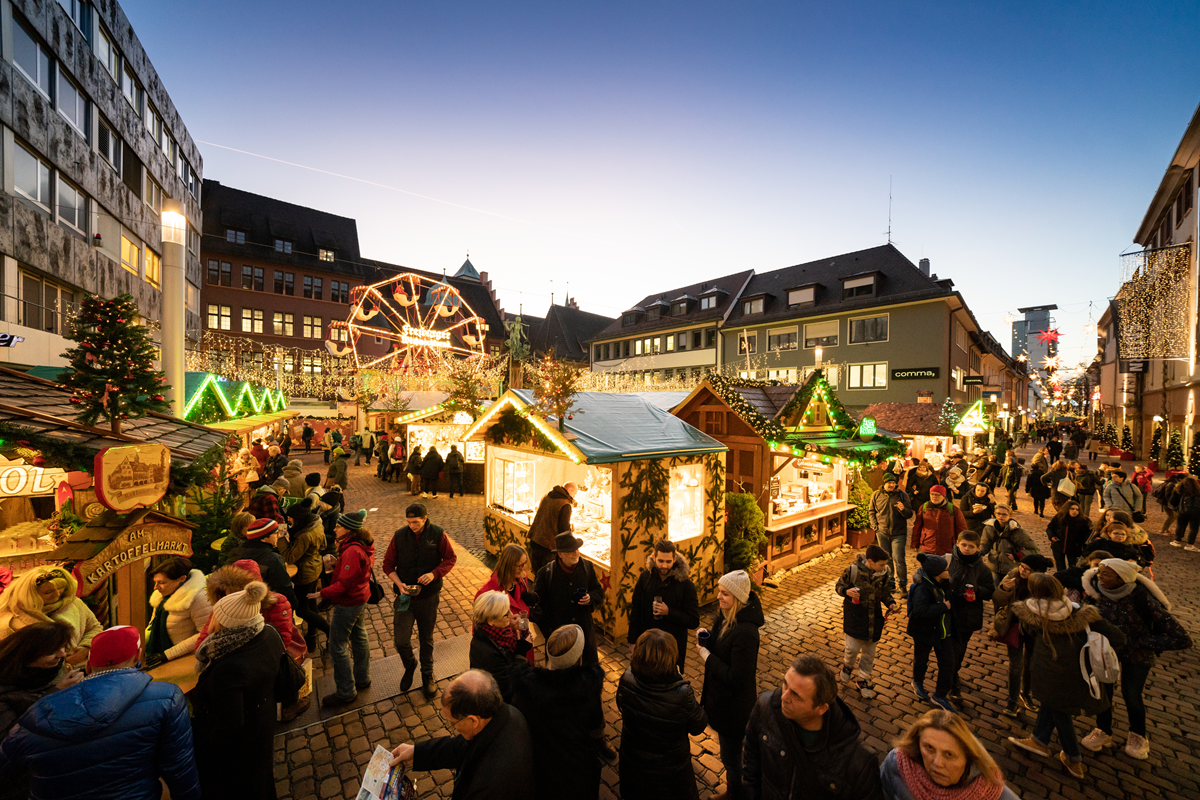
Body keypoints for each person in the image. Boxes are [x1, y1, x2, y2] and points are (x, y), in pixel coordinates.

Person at [0, 626, 201, 800]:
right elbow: (178, 767)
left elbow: (6, 763)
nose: (62, 655)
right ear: (139, 656)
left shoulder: (36, 713)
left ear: (87, 665)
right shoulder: (166, 698)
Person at [1008, 573, 1127, 779]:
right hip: (1076, 672)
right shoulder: (1081, 613)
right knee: (1052, 704)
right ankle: (1039, 740)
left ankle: (1073, 758)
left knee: (1060, 713)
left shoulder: (1030, 613)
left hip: (1046, 671)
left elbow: (1028, 633)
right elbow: (1117, 637)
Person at [1080, 559, 1192, 760]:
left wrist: (1141, 642)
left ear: (1121, 578)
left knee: (1132, 695)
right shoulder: (1096, 594)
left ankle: (1138, 735)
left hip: (1137, 653)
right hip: (1105, 653)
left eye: (1106, 574)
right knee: (1103, 693)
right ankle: (1103, 730)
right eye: (1100, 573)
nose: (1100, 577)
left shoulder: (1141, 598)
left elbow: (1181, 637)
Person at [744, 653, 882, 800]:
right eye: (785, 684)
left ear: (821, 708)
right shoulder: (765, 707)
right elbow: (750, 766)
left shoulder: (859, 763)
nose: (784, 697)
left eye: (796, 695)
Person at [191, 581, 283, 800]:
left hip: (243, 740)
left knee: (242, 785)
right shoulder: (268, 632)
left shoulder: (228, 665)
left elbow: (229, 723)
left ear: (225, 623)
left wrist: (205, 746)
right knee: (261, 777)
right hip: (264, 717)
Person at [390, 670, 534, 800]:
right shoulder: (506, 715)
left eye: (453, 722)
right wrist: (416, 752)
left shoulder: (489, 785)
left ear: (473, 720)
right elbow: (460, 747)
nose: (454, 728)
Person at [511, 625, 605, 800]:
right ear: (578, 656)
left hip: (542, 767)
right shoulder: (587, 690)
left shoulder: (528, 688)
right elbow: (595, 724)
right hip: (579, 770)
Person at [616, 629, 707, 800]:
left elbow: (621, 705)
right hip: (670, 774)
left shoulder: (627, 677)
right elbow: (698, 725)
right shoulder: (681, 693)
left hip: (633, 764)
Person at [698, 570, 763, 800]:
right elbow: (721, 646)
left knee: (732, 759)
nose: (719, 597)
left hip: (734, 710)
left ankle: (735, 795)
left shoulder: (746, 633)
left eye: (725, 593)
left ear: (737, 597)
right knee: (730, 756)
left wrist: (707, 657)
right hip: (721, 702)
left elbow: (738, 678)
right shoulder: (725, 615)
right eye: (719, 591)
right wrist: (708, 637)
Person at [383, 503, 458, 699]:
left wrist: (434, 574)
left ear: (425, 519)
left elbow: (450, 558)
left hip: (428, 596)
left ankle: (427, 675)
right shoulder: (400, 536)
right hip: (405, 596)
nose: (411, 526)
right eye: (408, 522)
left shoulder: (437, 534)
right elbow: (388, 565)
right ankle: (410, 665)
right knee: (400, 640)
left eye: (415, 522)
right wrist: (399, 584)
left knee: (426, 638)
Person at [880, 710, 1019, 800]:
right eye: (929, 748)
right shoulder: (898, 764)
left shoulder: (993, 794)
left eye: (949, 754)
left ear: (968, 758)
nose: (937, 763)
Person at [313, 509, 374, 706]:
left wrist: (322, 593)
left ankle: (346, 691)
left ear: (349, 529)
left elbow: (345, 584)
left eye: (338, 526)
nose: (334, 528)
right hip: (360, 596)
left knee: (337, 645)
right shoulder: (361, 545)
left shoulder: (352, 551)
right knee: (359, 635)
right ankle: (362, 678)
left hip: (349, 601)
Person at [199, 561, 307, 666]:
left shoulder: (277, 602)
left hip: (271, 662)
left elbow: (281, 642)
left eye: (237, 591)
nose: (231, 596)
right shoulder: (224, 604)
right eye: (227, 591)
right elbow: (205, 636)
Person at [530, 531, 605, 667]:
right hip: (559, 639)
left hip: (584, 635)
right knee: (560, 678)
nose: (576, 553)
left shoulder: (587, 567)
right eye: (570, 551)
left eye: (576, 549)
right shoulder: (546, 574)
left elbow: (598, 590)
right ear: (560, 554)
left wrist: (591, 598)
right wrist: (549, 630)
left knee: (587, 673)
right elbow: (537, 605)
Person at [0, 566, 101, 666]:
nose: (57, 594)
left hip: (80, 670)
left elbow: (94, 628)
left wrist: (86, 648)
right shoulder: (10, 619)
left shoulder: (74, 603)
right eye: (48, 592)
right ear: (31, 594)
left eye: (60, 588)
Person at [992, 553, 1053, 717]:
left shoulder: (1044, 585)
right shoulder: (1012, 577)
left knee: (1031, 664)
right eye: (1022, 566)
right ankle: (1012, 702)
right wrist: (1003, 589)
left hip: (1034, 629)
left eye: (1028, 569)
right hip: (1014, 626)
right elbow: (997, 600)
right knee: (1016, 665)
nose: (1022, 571)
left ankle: (1026, 694)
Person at [627, 539, 700, 674]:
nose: (664, 566)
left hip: (671, 650)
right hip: (647, 646)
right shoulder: (645, 577)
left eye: (668, 561)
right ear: (654, 558)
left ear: (675, 559)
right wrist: (633, 641)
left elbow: (693, 620)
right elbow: (636, 609)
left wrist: (669, 612)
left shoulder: (685, 584)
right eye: (661, 561)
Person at [834, 543, 897, 698]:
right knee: (852, 649)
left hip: (874, 620)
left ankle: (863, 679)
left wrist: (890, 603)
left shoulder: (884, 574)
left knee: (869, 653)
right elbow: (839, 587)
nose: (884, 567)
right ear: (870, 561)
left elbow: (885, 593)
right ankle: (847, 666)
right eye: (881, 564)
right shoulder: (852, 571)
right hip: (855, 617)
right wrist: (846, 592)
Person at [946, 531, 995, 704]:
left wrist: (977, 592)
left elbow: (990, 590)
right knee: (949, 649)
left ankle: (953, 676)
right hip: (948, 613)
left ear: (978, 548)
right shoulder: (948, 561)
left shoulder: (982, 569)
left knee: (959, 649)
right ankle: (951, 680)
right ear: (957, 543)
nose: (967, 549)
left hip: (968, 615)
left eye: (971, 546)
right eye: (964, 545)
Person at [907, 553, 958, 713]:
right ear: (937, 572)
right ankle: (917, 681)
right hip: (924, 632)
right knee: (921, 659)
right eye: (945, 568)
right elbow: (920, 610)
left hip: (943, 633)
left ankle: (940, 696)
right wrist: (944, 607)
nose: (948, 570)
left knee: (948, 664)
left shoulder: (943, 583)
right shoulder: (923, 588)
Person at [283, 497, 332, 652]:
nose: (288, 519)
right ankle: (311, 637)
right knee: (311, 604)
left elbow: (289, 557)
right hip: (314, 566)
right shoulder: (316, 523)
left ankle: (329, 631)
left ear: (298, 518)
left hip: (305, 573)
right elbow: (323, 545)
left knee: (302, 610)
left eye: (290, 517)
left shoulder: (304, 535)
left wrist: (281, 539)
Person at [143, 557, 211, 667]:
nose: (155, 588)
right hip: (160, 655)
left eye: (161, 582)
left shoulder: (199, 598)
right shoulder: (161, 594)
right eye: (155, 582)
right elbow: (152, 624)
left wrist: (167, 655)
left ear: (182, 578)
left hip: (184, 659)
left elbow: (205, 633)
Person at [476, 543, 537, 664]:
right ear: (508, 566)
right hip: (504, 652)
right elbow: (479, 633)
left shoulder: (522, 579)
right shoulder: (487, 593)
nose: (524, 569)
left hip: (524, 642)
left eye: (525, 563)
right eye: (520, 565)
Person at [469, 591, 533, 702]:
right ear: (491, 621)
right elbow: (509, 684)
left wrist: (513, 629)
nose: (511, 615)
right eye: (505, 614)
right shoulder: (486, 653)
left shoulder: (497, 633)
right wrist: (521, 652)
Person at [227, 517, 300, 610]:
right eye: (276, 533)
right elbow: (283, 587)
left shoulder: (235, 553)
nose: (278, 536)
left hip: (243, 607)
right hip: (270, 608)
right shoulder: (273, 559)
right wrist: (293, 604)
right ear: (264, 539)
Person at [870, 472, 914, 590]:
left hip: (898, 533)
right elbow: (872, 512)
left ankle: (902, 584)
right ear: (884, 483)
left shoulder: (903, 495)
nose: (891, 485)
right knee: (887, 558)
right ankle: (890, 583)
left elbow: (909, 514)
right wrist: (875, 527)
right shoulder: (876, 495)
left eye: (893, 483)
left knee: (899, 559)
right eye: (889, 483)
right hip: (882, 532)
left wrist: (903, 509)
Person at [979, 505, 1039, 583]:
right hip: (993, 566)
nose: (1001, 516)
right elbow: (985, 544)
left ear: (1010, 515)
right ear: (995, 514)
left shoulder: (1018, 531)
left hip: (1011, 569)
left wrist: (1017, 555)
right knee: (996, 591)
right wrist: (979, 552)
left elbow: (1034, 550)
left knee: (1009, 591)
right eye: (999, 513)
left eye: (1004, 514)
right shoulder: (988, 529)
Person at [527, 482, 578, 574]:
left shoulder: (547, 496)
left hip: (535, 540)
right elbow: (564, 530)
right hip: (548, 547)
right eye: (575, 493)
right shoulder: (564, 504)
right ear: (570, 490)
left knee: (538, 577)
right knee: (549, 579)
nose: (574, 496)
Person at [911, 485, 966, 557]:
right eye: (932, 494)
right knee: (928, 567)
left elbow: (961, 528)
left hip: (947, 547)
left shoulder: (953, 509)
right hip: (928, 546)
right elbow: (917, 527)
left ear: (943, 496)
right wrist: (915, 543)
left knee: (946, 567)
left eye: (937, 495)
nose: (934, 497)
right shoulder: (924, 507)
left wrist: (963, 544)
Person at [1047, 499, 1092, 572]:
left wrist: (1084, 548)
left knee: (1073, 567)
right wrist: (1051, 536)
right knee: (1060, 567)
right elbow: (1050, 528)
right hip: (1058, 546)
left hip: (1074, 548)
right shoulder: (1059, 517)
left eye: (1077, 509)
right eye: (1072, 509)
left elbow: (1086, 536)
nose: (1075, 511)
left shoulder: (1083, 521)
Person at [1170, 473, 1200, 550]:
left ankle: (1177, 541)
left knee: (1180, 526)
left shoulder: (1178, 490)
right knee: (1194, 528)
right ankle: (1190, 544)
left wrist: (1177, 507)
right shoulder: (1198, 491)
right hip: (1196, 512)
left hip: (1182, 511)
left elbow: (1172, 501)